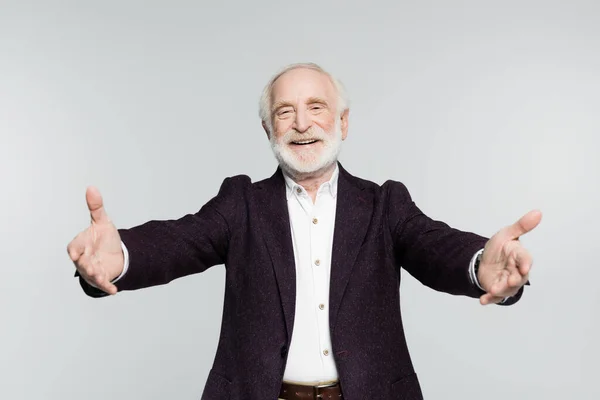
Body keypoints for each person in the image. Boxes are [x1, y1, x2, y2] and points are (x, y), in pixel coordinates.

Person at [67, 62, 541, 400]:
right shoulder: (242, 203)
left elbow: (435, 247)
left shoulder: (384, 204)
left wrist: (482, 265)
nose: (301, 123)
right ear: (268, 129)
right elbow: (179, 241)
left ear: (343, 122)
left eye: (316, 106)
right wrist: (121, 256)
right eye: (284, 111)